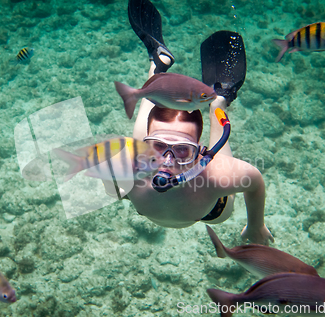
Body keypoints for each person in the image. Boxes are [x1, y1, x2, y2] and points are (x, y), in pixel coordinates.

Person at [108, 0, 273, 245]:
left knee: (164, 130)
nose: (168, 161)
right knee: (153, 125)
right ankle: (158, 67)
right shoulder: (125, 166)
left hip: (211, 211)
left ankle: (218, 102)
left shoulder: (217, 176)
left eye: (183, 150)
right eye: (158, 148)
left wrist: (256, 224)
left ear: (200, 153)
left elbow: (255, 181)